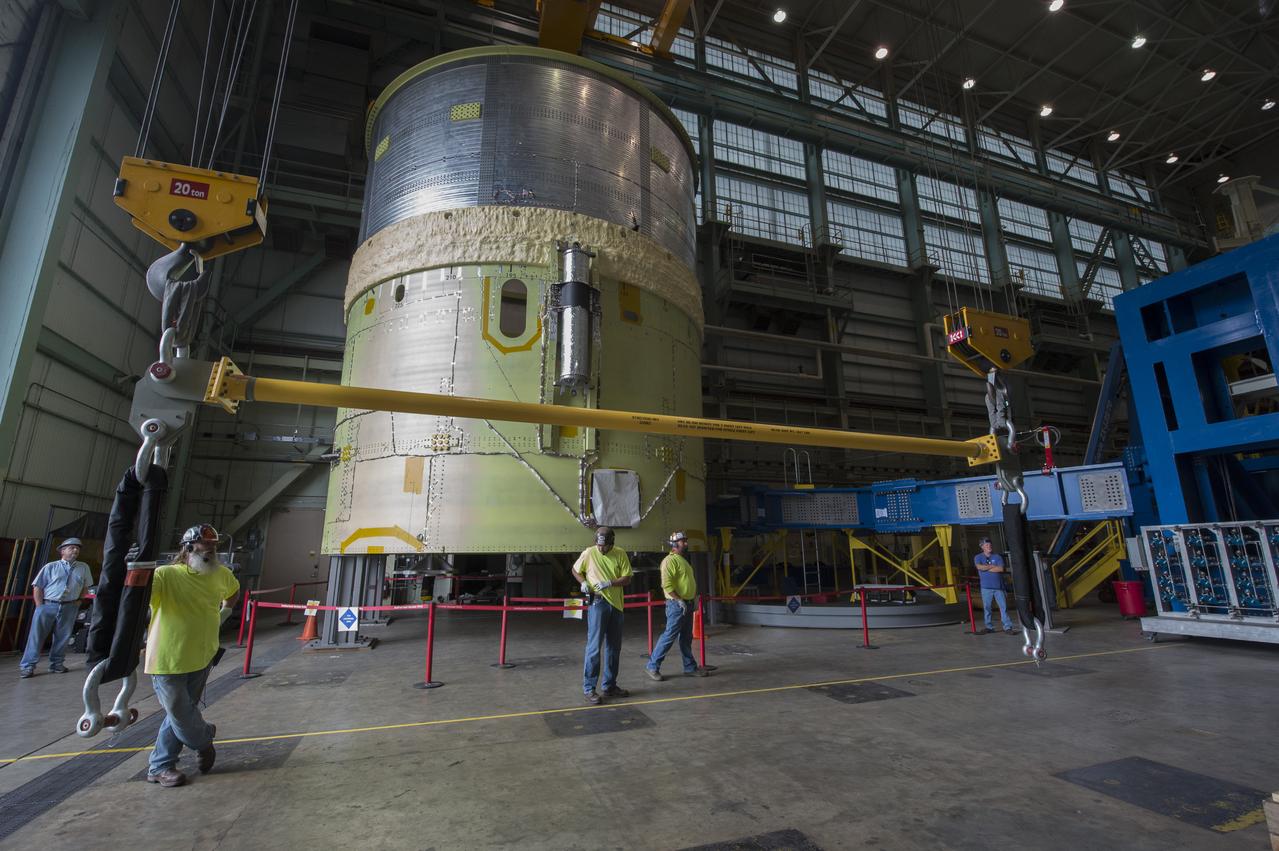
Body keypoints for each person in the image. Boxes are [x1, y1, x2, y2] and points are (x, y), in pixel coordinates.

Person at [145, 524, 239, 788]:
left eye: (213, 546)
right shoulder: (164, 575)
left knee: (179, 714)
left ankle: (161, 766)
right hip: (167, 656)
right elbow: (140, 596)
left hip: (203, 654)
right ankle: (204, 738)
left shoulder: (220, 574)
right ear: (187, 548)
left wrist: (224, 614)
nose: (209, 549)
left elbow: (232, 593)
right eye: (203, 545)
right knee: (178, 710)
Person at [571, 526, 632, 705]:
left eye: (604, 546)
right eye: (598, 545)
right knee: (594, 647)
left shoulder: (620, 554)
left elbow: (627, 578)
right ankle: (589, 688)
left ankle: (610, 685)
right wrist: (583, 582)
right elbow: (576, 570)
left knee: (614, 648)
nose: (601, 549)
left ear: (612, 543)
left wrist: (610, 582)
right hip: (598, 604)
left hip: (617, 606)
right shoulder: (589, 553)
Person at [19, 538, 95, 678]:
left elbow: (85, 586)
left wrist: (78, 601)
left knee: (63, 637)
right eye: (71, 547)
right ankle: (28, 666)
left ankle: (56, 664)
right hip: (48, 605)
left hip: (69, 607)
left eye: (77, 548)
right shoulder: (50, 567)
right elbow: (38, 587)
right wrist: (40, 606)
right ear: (62, 551)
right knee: (36, 637)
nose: (75, 550)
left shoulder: (83, 567)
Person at [645, 531, 709, 681]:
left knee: (686, 637)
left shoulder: (683, 560)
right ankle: (652, 666)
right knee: (669, 635)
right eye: (683, 541)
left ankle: (690, 667)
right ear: (674, 544)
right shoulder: (669, 561)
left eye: (685, 541)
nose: (686, 544)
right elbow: (666, 585)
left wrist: (693, 597)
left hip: (686, 603)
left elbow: (686, 582)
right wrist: (679, 599)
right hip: (677, 605)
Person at [975, 537, 1014, 634]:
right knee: (987, 608)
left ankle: (1007, 627)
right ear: (982, 547)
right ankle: (989, 627)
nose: (989, 546)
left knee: (1003, 607)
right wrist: (992, 566)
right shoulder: (978, 557)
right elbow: (979, 567)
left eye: (990, 544)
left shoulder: (997, 557)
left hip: (998, 587)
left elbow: (1000, 569)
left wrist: (986, 568)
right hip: (986, 588)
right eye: (987, 545)